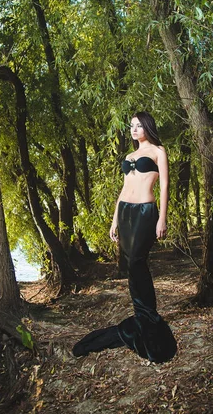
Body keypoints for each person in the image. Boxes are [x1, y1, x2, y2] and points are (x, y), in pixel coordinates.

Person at [72, 111, 177, 363]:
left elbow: (164, 185)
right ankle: (143, 314)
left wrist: (162, 217)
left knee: (136, 262)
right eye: (131, 126)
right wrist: (114, 221)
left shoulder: (158, 151)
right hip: (126, 212)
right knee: (132, 264)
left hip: (145, 210)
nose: (134, 129)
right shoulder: (130, 156)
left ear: (148, 127)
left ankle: (148, 316)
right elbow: (123, 189)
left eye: (139, 125)